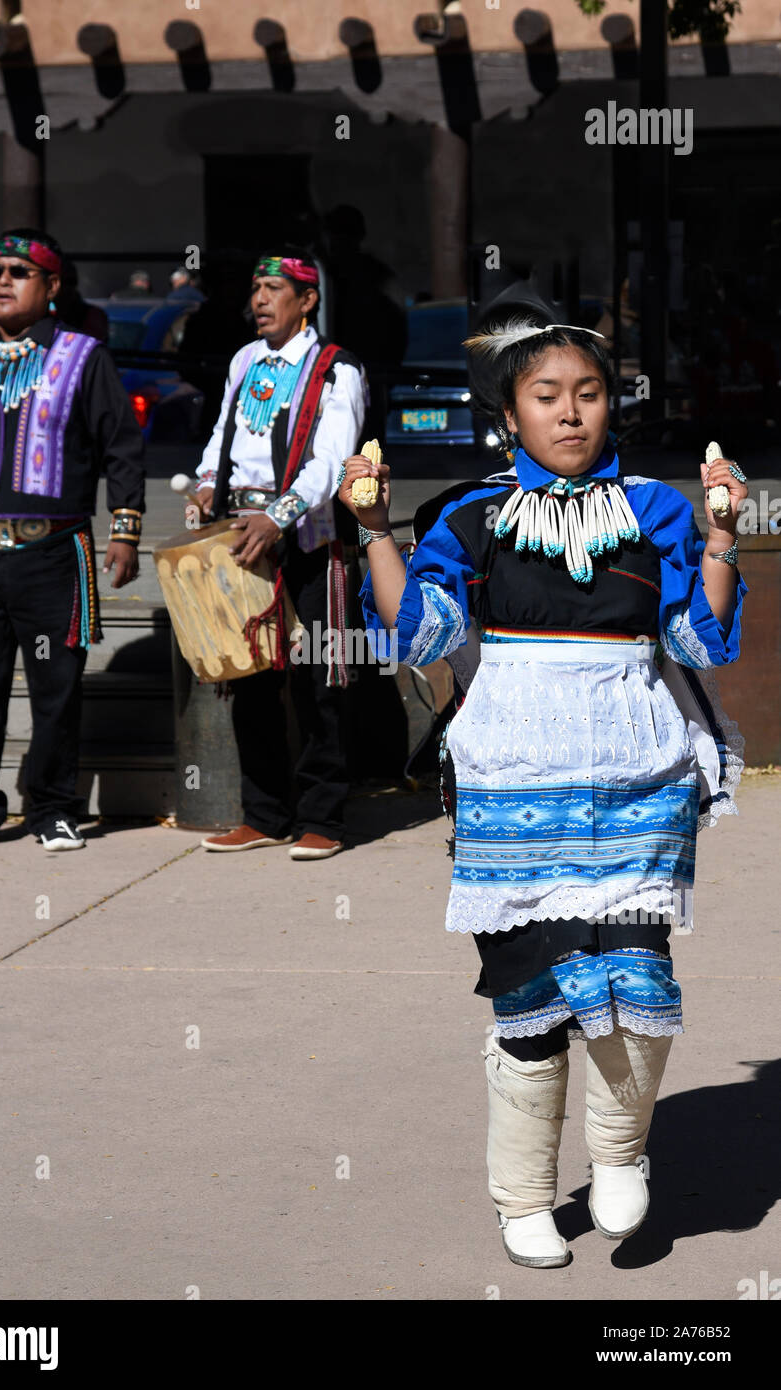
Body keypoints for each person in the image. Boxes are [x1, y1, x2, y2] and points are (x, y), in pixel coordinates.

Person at [338, 315, 747, 1267]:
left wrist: (722, 539)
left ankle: (617, 1155)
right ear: (510, 415)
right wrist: (374, 534)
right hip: (513, 777)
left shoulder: (658, 510)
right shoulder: (469, 517)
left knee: (639, 983)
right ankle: (521, 1195)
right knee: (533, 995)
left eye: (590, 394)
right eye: (546, 396)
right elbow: (424, 636)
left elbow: (696, 642)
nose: (571, 413)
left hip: (639, 776)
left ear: (613, 405)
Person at [0, 228, 145, 852]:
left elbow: (121, 446)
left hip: (51, 553)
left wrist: (124, 531)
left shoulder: (82, 356)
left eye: (20, 271)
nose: (3, 282)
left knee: (55, 687)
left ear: (53, 286)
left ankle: (53, 808)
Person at [187, 247, 367, 861]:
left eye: (273, 289)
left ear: (307, 300)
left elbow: (333, 461)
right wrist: (208, 481)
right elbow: (223, 434)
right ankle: (263, 813)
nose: (259, 300)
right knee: (251, 675)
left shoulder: (335, 370)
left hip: (310, 540)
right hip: (244, 535)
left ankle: (325, 817)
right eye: (256, 288)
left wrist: (279, 515)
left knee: (321, 679)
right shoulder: (244, 360)